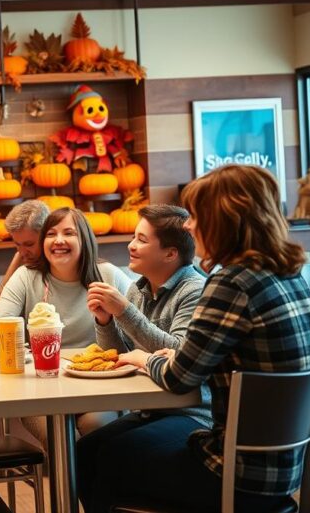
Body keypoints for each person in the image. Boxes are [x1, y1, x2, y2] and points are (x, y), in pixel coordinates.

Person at [89, 165, 310, 513]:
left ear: (223, 220)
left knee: (89, 459)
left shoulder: (232, 283)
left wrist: (146, 359)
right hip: (284, 465)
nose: (188, 225)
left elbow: (179, 377)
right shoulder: (288, 274)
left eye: (196, 215)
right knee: (102, 449)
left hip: (235, 470)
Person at [76, 204, 211, 509]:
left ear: (170, 254)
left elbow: (178, 351)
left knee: (113, 455)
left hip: (193, 414)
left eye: (141, 239)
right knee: (83, 453)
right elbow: (122, 357)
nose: (131, 245)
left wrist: (124, 311)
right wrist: (105, 321)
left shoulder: (195, 290)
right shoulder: (139, 290)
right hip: (154, 411)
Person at [0, 207, 132, 437]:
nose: (59, 240)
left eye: (69, 233)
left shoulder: (110, 276)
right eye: (51, 234)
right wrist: (29, 353)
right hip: (41, 391)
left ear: (85, 239)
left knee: (96, 426)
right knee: (58, 435)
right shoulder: (25, 277)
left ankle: (84, 473)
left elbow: (139, 332)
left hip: (99, 390)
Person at [0, 200, 50, 307]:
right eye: (17, 244)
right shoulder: (21, 257)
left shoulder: (61, 259)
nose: (22, 252)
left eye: (29, 244)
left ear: (47, 234)